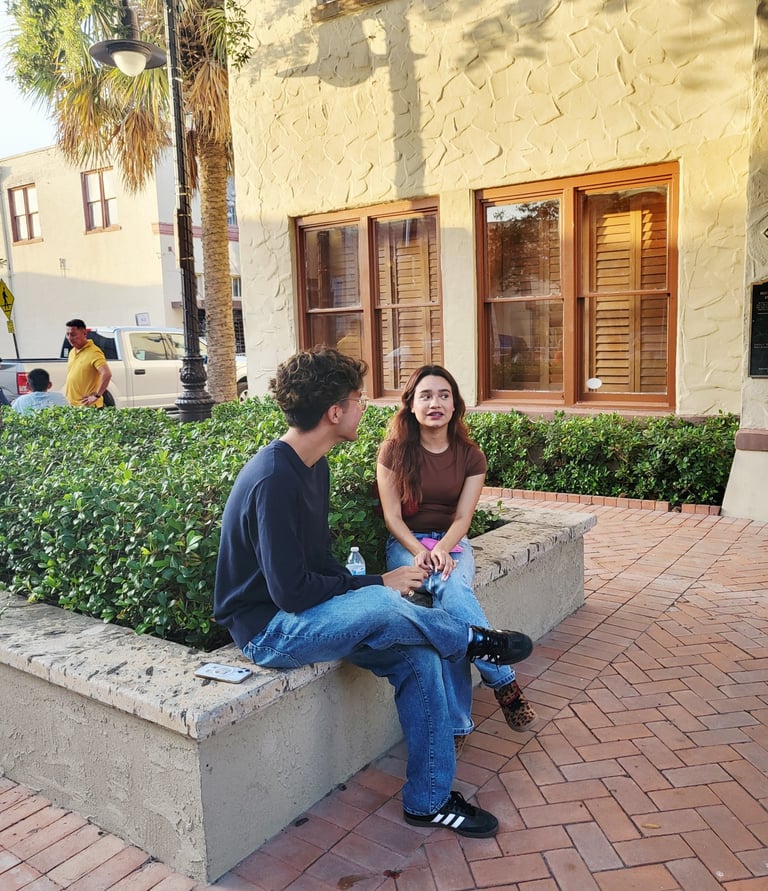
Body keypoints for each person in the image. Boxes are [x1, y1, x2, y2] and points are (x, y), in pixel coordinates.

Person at [214, 346, 533, 839]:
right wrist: (377, 584)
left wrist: (364, 588)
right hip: (271, 632)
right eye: (358, 399)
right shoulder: (275, 478)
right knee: (390, 600)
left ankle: (428, 801)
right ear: (334, 412)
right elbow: (291, 593)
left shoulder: (312, 465)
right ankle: (471, 640)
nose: (366, 407)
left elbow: (318, 566)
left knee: (421, 659)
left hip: (312, 612)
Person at [376, 365, 537, 754]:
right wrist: (420, 550)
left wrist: (443, 548)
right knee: (452, 609)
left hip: (453, 544)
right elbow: (393, 517)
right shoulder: (394, 450)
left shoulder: (470, 455)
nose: (436, 403)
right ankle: (503, 681)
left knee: (450, 602)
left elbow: (463, 518)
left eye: (444, 395)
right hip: (407, 544)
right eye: (426, 395)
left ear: (455, 404)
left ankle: (459, 726)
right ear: (411, 405)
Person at [64, 319, 112, 407]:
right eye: (68, 334)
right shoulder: (72, 352)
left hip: (88, 407)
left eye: (73, 335)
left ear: (84, 333)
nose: (70, 338)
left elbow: (107, 374)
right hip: (73, 406)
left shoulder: (94, 352)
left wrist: (97, 395)